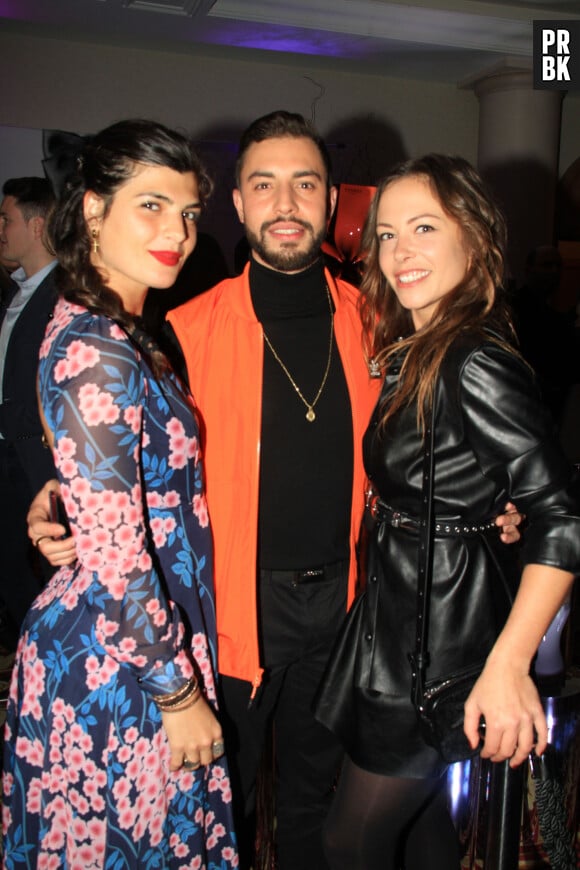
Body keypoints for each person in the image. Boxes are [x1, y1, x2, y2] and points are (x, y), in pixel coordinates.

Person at [29, 113, 522, 870]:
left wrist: (495, 504)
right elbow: (109, 440)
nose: (285, 202)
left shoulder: (384, 320)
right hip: (225, 609)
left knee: (313, 799)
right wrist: (53, 489)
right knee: (220, 797)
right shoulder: (180, 329)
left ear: (331, 204)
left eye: (305, 184)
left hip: (352, 607)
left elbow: (439, 444)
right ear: (236, 203)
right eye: (264, 184)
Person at [314, 154, 580, 870]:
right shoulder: (422, 347)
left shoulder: (471, 358)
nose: (401, 253)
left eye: (424, 227)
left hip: (439, 636)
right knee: (425, 825)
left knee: (351, 840)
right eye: (388, 234)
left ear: (475, 237)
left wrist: (509, 663)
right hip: (409, 611)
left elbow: (562, 514)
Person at [2, 119, 237, 867]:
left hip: (131, 638)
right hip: (119, 664)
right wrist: (176, 692)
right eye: (152, 205)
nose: (179, 230)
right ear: (94, 210)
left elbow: (101, 474)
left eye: (190, 212)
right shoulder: (100, 348)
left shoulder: (112, 326)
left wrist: (58, 493)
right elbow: (116, 552)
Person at [0, 177, 59, 646]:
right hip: (10, 462)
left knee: (38, 583)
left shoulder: (64, 294)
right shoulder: (15, 294)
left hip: (38, 467)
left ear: (37, 226)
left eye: (7, 219)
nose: (0, 228)